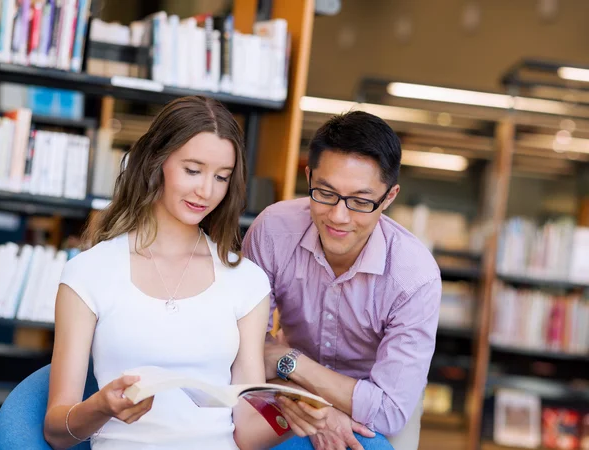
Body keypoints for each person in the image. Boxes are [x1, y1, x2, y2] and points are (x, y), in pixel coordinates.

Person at [43, 96, 328, 450]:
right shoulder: (88, 273)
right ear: (156, 162)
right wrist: (100, 407)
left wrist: (289, 415)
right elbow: (56, 431)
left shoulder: (246, 282)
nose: (206, 191)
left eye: (221, 177)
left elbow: (244, 434)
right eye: (192, 170)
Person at [243, 110, 442, 450]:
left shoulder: (415, 277)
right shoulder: (274, 231)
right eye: (325, 192)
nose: (338, 215)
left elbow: (391, 410)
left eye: (361, 201)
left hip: (376, 397)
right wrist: (316, 403)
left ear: (389, 197)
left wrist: (286, 358)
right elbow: (244, 351)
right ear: (308, 176)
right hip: (285, 385)